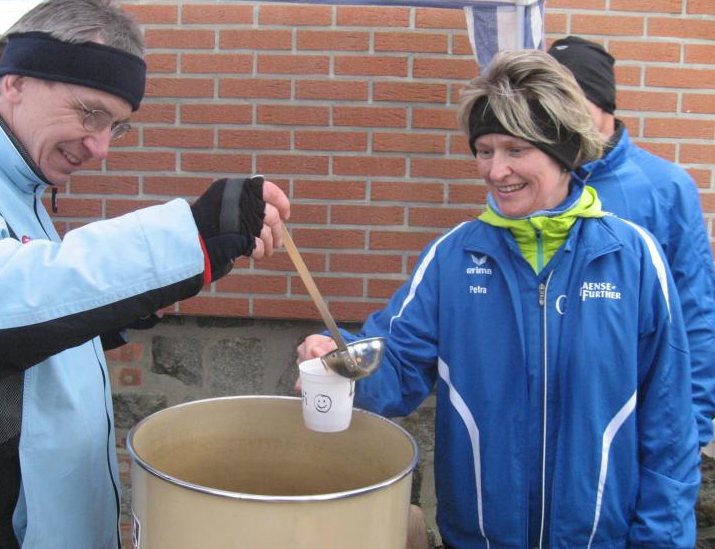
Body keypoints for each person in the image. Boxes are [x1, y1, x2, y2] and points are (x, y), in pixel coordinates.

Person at [0, 0, 290, 549]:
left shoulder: (17, 186)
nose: (100, 147)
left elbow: (25, 324)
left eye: (116, 126)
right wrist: (184, 235)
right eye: (90, 113)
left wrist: (135, 299)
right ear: (15, 81)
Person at [297, 50, 700, 548]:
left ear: (563, 149)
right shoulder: (453, 257)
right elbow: (396, 367)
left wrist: (661, 541)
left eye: (515, 149)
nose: (495, 170)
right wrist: (339, 359)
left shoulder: (633, 258)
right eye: (484, 150)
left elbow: (669, 427)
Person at [548, 35, 715, 448]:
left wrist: (693, 425)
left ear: (603, 102)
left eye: (572, 100)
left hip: (633, 410)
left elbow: (695, 309)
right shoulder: (536, 181)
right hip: (548, 413)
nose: (562, 117)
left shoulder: (665, 187)